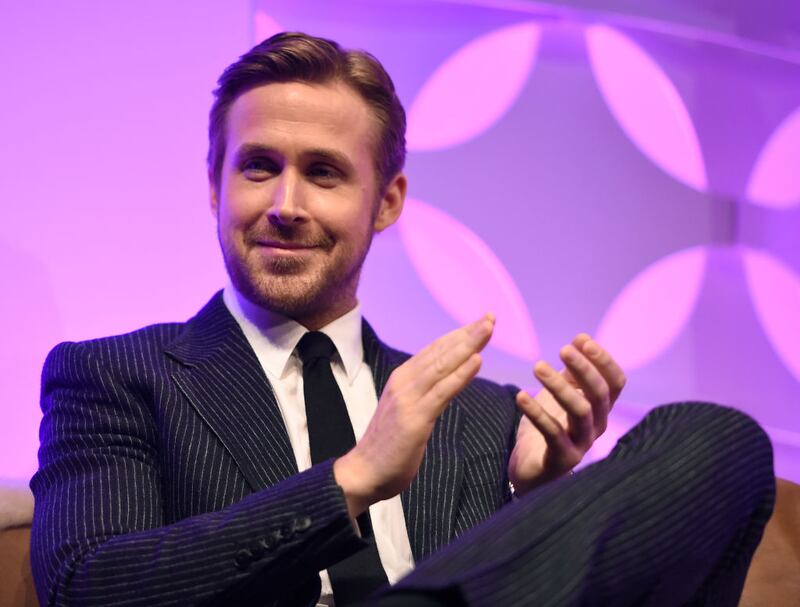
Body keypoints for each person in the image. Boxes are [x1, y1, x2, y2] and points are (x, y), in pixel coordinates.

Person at [31, 32, 775, 607]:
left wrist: (541, 500)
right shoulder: (116, 376)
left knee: (718, 436)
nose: (285, 205)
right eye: (258, 166)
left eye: (323, 172)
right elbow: (86, 586)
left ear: (386, 202)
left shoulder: (481, 416)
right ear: (214, 187)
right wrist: (350, 480)